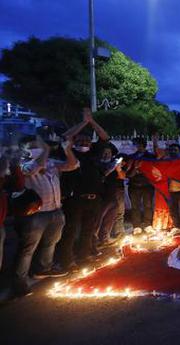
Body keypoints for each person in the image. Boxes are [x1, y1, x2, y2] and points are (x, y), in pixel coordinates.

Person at [13, 136, 78, 297]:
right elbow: (36, 167)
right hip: (35, 215)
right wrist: (46, 149)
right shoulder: (22, 165)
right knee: (28, 248)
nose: (40, 148)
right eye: (35, 146)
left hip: (55, 210)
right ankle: (19, 283)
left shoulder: (50, 163)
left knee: (51, 242)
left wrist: (67, 149)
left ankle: (44, 268)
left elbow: (73, 165)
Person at [55, 108, 110, 266]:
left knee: (88, 230)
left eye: (86, 141)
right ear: (75, 143)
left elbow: (104, 137)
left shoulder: (94, 153)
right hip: (75, 200)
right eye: (80, 141)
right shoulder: (69, 154)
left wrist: (92, 122)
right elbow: (66, 136)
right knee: (70, 232)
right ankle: (66, 261)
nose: (84, 143)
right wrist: (84, 122)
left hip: (95, 200)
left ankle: (84, 257)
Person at [96, 145, 126, 246]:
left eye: (108, 153)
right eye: (104, 153)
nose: (106, 155)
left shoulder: (113, 164)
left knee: (110, 218)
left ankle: (105, 238)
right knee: (98, 220)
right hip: (100, 197)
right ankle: (93, 241)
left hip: (112, 195)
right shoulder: (96, 164)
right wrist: (110, 169)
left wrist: (118, 169)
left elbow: (122, 177)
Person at [126, 137, 156, 234]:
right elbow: (128, 174)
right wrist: (135, 168)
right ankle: (136, 226)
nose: (135, 146)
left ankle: (148, 225)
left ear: (142, 145)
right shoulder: (131, 157)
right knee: (135, 206)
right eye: (134, 145)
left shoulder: (150, 156)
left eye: (137, 144)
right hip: (134, 185)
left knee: (148, 206)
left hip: (147, 185)